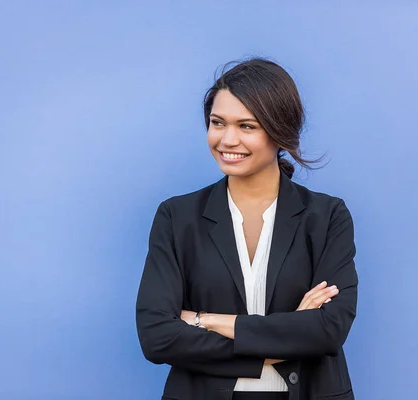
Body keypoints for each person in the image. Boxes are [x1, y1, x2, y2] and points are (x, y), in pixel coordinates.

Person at [135, 58, 358, 400]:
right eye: (217, 123)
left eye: (247, 126)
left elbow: (328, 329)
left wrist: (205, 320)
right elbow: (157, 336)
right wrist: (285, 338)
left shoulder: (327, 216)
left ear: (280, 130)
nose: (227, 139)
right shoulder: (177, 217)